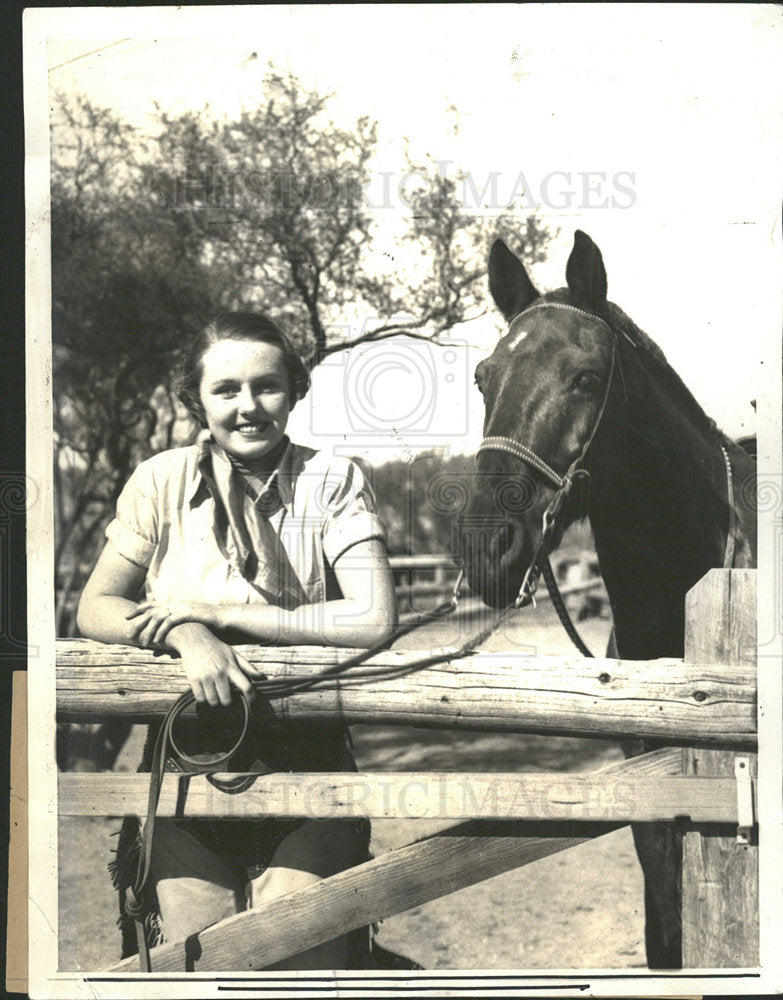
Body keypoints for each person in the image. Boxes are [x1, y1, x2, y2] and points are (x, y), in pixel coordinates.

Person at [76, 312, 399, 969]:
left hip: (310, 767)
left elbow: (372, 617)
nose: (248, 407)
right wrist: (187, 633)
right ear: (195, 398)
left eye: (267, 386)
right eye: (226, 389)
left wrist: (224, 616)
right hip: (186, 773)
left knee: (306, 965)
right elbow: (96, 606)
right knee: (203, 968)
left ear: (296, 389)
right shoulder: (160, 481)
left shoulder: (332, 480)